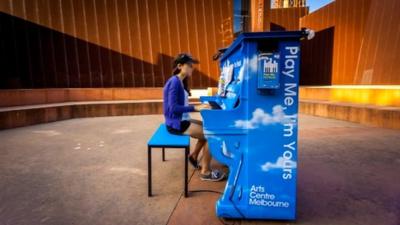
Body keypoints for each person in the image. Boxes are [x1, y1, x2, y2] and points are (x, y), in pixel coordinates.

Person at [163, 53, 225, 182]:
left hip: (181, 120)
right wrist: (195, 108)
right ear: (180, 66)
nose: (192, 68)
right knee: (212, 134)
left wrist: (197, 105)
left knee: (206, 127)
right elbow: (173, 108)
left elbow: (181, 104)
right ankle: (206, 172)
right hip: (176, 124)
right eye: (190, 65)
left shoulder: (180, 81)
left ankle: (193, 156)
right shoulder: (174, 82)